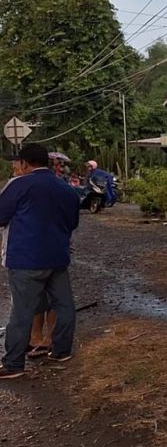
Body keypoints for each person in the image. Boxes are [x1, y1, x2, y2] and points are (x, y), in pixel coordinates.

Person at [0, 143, 80, 378]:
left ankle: (13, 364)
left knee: (22, 311)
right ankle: (61, 351)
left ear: (24, 163)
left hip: (25, 258)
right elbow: (72, 222)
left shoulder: (20, 185)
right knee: (63, 305)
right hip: (57, 257)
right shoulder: (65, 188)